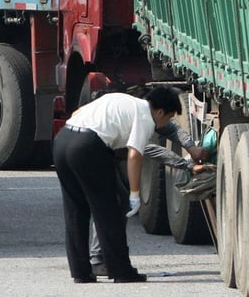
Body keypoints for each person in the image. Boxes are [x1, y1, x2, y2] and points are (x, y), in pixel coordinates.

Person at [53, 86, 181, 283]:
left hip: (63, 140)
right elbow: (134, 154)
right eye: (168, 118)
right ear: (160, 111)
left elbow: (77, 113)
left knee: (75, 210)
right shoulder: (146, 117)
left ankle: (80, 272)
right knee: (109, 210)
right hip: (87, 146)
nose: (165, 124)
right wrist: (135, 193)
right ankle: (121, 271)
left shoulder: (121, 100)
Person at [88, 117, 214, 277]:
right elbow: (149, 150)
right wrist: (188, 165)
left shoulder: (147, 113)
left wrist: (191, 147)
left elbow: (173, 129)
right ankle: (99, 260)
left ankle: (108, 260)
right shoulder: (139, 119)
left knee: (117, 203)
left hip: (94, 148)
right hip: (93, 153)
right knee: (107, 204)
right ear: (159, 111)